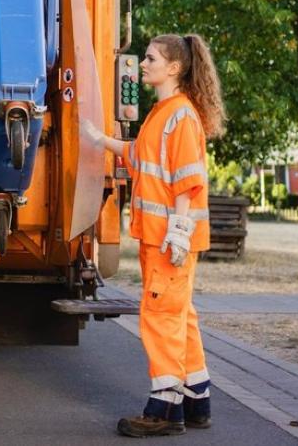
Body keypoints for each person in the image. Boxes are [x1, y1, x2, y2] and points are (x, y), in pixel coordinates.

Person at [84, 33, 225, 437]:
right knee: (180, 316)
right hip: (160, 238)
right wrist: (99, 139)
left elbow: (188, 181)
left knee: (160, 317)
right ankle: (196, 399)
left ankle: (164, 409)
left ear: (174, 68)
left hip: (169, 241)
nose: (142, 64)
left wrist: (179, 233)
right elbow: (137, 155)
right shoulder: (163, 114)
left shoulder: (180, 116)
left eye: (150, 59)